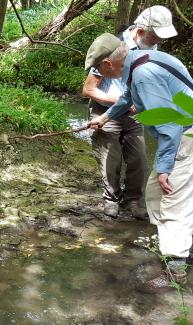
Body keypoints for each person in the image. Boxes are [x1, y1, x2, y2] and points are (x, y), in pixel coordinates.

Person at [85, 32, 193, 290]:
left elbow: (168, 125)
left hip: (184, 135)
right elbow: (128, 98)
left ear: (108, 64)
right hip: (184, 129)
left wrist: (166, 167)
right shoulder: (146, 59)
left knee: (171, 200)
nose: (97, 72)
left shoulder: (143, 75)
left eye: (98, 68)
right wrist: (106, 116)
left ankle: (176, 272)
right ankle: (182, 246)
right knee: (157, 194)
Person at [82, 6, 177, 219]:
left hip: (134, 114)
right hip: (105, 112)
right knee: (110, 159)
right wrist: (120, 103)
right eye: (155, 36)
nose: (157, 42)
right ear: (141, 31)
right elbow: (88, 89)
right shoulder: (111, 47)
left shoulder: (153, 51)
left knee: (139, 159)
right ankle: (111, 199)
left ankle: (132, 200)